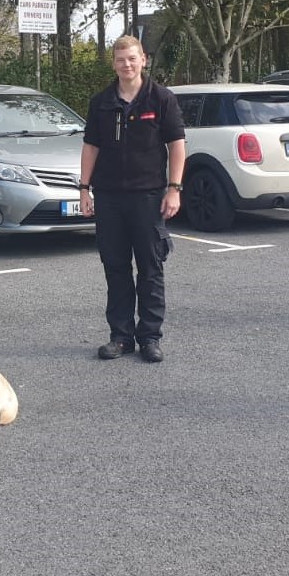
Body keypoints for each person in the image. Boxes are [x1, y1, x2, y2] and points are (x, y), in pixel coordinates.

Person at [79, 35, 186, 363]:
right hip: (109, 197)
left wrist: (174, 188)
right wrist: (84, 189)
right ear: (114, 63)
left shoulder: (161, 99)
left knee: (151, 268)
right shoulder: (101, 102)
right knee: (116, 268)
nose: (127, 64)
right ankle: (121, 336)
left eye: (132, 58)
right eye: (121, 59)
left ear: (144, 60)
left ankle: (150, 337)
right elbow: (91, 147)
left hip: (149, 197)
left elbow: (177, 145)